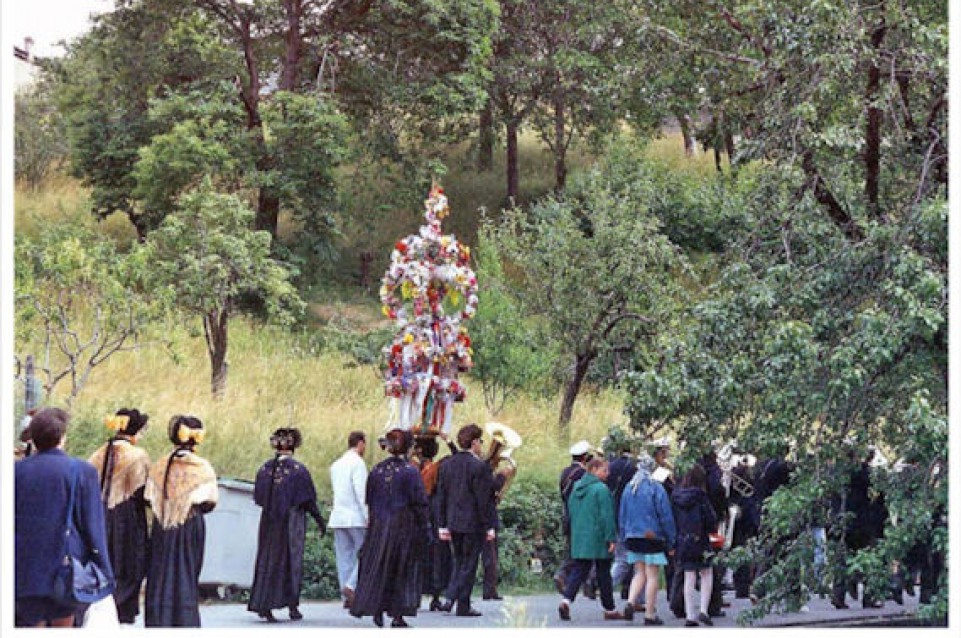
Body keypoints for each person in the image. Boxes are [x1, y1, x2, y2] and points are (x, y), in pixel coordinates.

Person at [15, 408, 115, 627]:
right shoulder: (81, 471)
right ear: (62, 437)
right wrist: (104, 569)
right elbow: (93, 526)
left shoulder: (16, 472)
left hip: (22, 567)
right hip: (65, 566)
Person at [350, 429, 430, 628]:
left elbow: (369, 499)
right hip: (403, 527)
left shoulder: (376, 470)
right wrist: (425, 528)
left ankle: (377, 608)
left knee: (380, 566)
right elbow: (419, 502)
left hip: (379, 525)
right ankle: (397, 614)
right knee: (401, 570)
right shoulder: (410, 471)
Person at [144, 415, 218, 627]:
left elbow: (149, 498)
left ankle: (159, 622)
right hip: (188, 526)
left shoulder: (159, 465)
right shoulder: (201, 467)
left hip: (162, 526)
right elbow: (210, 501)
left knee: (160, 574)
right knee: (185, 574)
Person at [248, 428, 326, 622]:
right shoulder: (298, 471)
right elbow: (308, 500)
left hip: (268, 523)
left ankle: (264, 603)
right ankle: (292, 606)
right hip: (291, 522)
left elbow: (258, 497)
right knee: (291, 563)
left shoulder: (265, 469)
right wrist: (320, 520)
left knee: (267, 560)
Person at [88, 408, 151, 624]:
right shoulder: (138, 455)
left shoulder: (98, 452)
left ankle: (102, 607)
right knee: (129, 563)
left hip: (99, 512)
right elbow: (143, 491)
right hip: (128, 516)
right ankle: (122, 609)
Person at [435, 423, 497, 617]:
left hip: (453, 522)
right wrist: (489, 526)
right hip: (473, 524)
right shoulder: (479, 467)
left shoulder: (447, 464)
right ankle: (453, 597)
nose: (481, 445)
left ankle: (462, 604)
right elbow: (483, 500)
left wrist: (442, 524)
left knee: (460, 561)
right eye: (480, 441)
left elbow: (441, 497)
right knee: (469, 564)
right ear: (475, 442)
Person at [557, 458, 623, 621]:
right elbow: (606, 516)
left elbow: (571, 513)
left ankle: (566, 600)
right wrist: (611, 538)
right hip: (599, 537)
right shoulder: (601, 490)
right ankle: (609, 609)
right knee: (603, 573)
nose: (608, 474)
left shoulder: (575, 488)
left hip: (580, 536)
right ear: (593, 469)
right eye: (604, 470)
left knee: (578, 571)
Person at [618, 454, 675, 625]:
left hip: (632, 536)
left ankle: (630, 601)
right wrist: (670, 540)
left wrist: (624, 535)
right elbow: (665, 517)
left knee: (639, 572)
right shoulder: (656, 488)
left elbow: (622, 514)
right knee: (652, 575)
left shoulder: (629, 487)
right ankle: (650, 614)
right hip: (652, 536)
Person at [672, 464, 718, 627]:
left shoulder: (676, 497)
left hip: (683, 540)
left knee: (688, 576)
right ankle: (704, 610)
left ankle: (690, 614)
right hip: (700, 539)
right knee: (706, 573)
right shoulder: (701, 496)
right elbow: (710, 518)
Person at [329, 430, 369, 609]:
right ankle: (351, 586)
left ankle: (345, 593)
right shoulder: (358, 464)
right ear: (360, 443)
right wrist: (368, 515)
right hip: (355, 517)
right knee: (365, 552)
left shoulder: (336, 464)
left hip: (338, 515)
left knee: (344, 555)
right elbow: (361, 493)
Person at [554, 440, 593, 595]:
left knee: (573, 548)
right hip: (580, 518)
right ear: (584, 457)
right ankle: (564, 575)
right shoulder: (582, 475)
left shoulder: (565, 472)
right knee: (583, 551)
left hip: (567, 517)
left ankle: (579, 581)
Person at [606, 439, 637, 600]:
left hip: (614, 514)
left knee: (621, 556)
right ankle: (608, 585)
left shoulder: (611, 467)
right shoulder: (633, 468)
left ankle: (622, 588)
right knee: (628, 559)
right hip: (629, 517)